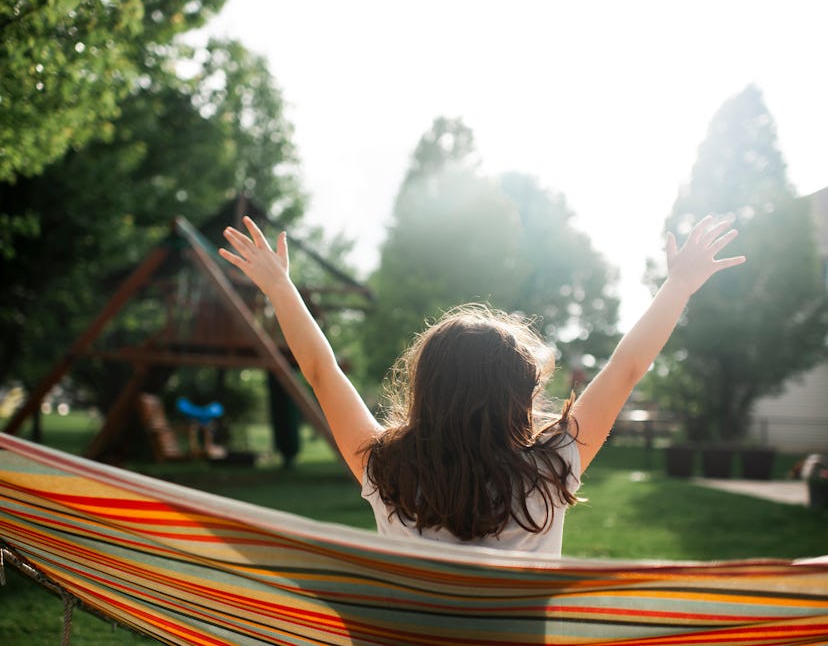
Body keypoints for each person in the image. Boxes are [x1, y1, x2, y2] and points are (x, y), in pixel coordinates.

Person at [220, 214, 745, 556]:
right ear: (518, 395)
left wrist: (279, 287)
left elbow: (320, 371)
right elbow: (627, 367)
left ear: (425, 389)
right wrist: (678, 284)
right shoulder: (553, 464)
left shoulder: (386, 469)